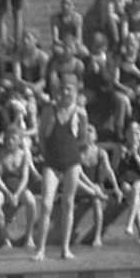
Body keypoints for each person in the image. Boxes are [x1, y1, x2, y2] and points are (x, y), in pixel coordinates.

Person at [31, 76, 88, 259]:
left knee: (68, 203)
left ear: (75, 92)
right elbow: (41, 136)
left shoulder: (80, 113)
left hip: (71, 160)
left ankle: (65, 248)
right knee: (46, 204)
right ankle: (41, 249)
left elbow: (83, 139)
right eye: (63, 89)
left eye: (69, 89)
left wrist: (71, 145)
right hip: (52, 161)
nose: (65, 92)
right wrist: (47, 152)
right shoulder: (50, 110)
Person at [115, 119, 140, 246]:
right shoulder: (120, 148)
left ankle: (130, 223)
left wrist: (136, 155)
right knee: (129, 190)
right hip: (125, 180)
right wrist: (120, 156)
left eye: (136, 133)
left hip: (139, 179)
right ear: (126, 134)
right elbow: (115, 169)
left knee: (135, 190)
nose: (134, 136)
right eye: (131, 133)